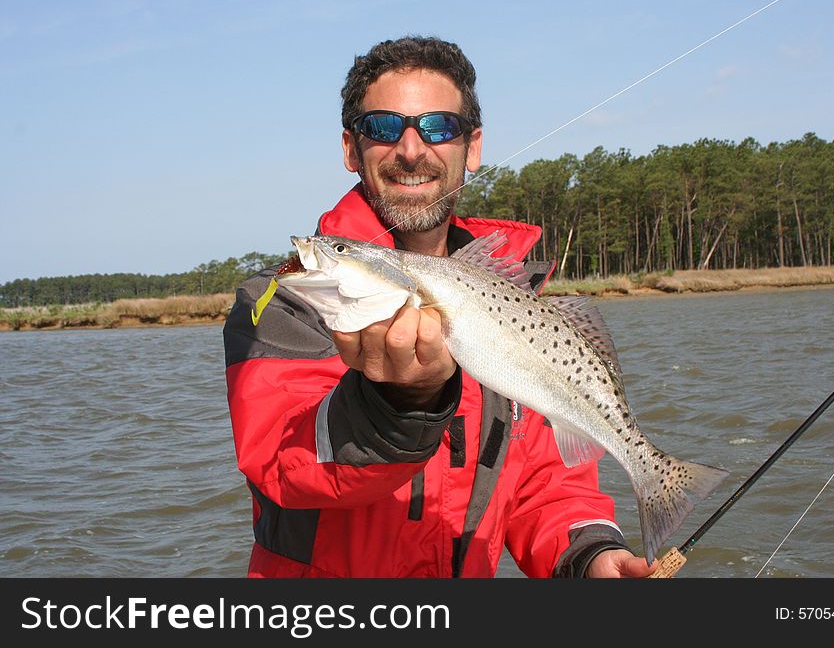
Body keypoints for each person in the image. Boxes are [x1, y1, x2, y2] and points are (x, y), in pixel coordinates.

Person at [223, 36, 658, 578]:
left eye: (438, 127)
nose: (411, 149)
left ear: (471, 148)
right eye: (383, 127)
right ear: (350, 149)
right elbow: (284, 468)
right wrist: (400, 401)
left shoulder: (519, 308)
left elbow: (549, 487)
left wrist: (591, 556)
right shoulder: (285, 300)